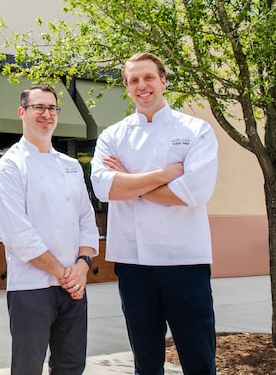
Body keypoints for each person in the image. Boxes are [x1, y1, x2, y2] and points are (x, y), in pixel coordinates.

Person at [90, 52, 219, 375]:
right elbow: (104, 189)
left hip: (185, 263)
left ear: (163, 81)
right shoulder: (112, 136)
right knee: (146, 364)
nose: (141, 85)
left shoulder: (196, 130)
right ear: (126, 87)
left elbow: (194, 192)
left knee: (198, 360)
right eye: (133, 80)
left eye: (148, 77)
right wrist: (167, 174)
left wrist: (129, 182)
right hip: (134, 265)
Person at [0, 83, 99, 375]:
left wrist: (82, 266)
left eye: (52, 108)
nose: (46, 114)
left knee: (71, 366)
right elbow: (18, 236)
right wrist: (65, 273)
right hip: (31, 288)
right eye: (39, 107)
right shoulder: (10, 167)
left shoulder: (71, 165)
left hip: (73, 287)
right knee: (28, 367)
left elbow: (87, 222)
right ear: (22, 112)